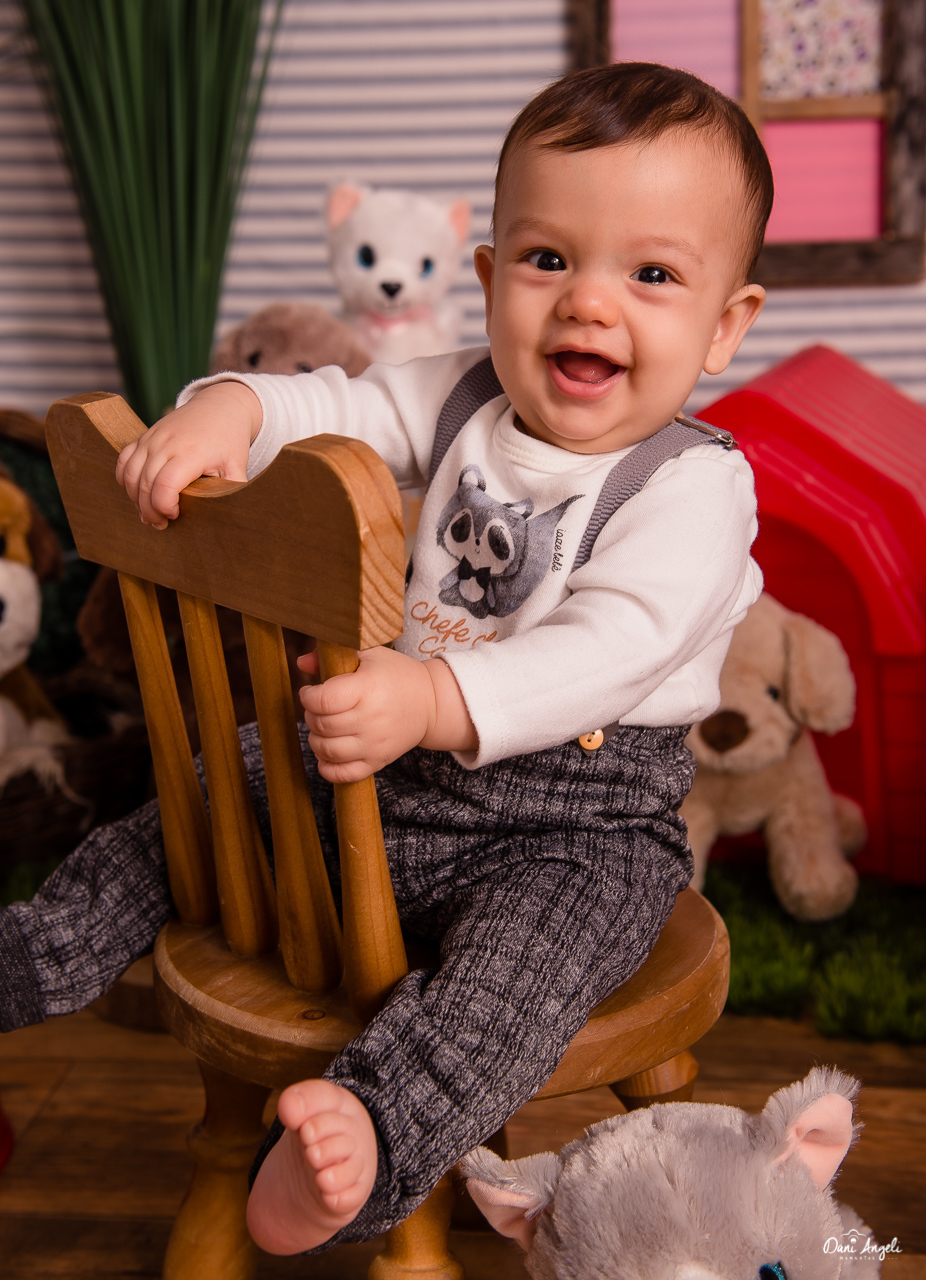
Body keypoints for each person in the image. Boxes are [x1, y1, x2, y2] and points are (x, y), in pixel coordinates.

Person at [1, 62, 772, 1254]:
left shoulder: (692, 483)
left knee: (518, 977)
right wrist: (232, 410)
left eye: (652, 275)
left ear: (723, 324)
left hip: (579, 818)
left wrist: (435, 693)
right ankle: (34, 954)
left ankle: (366, 1133)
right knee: (207, 795)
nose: (586, 303)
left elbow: (616, 647)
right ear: (490, 276)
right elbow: (330, 404)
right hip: (392, 765)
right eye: (547, 259)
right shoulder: (461, 392)